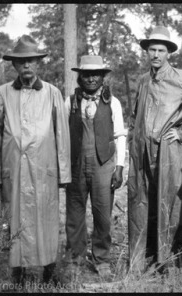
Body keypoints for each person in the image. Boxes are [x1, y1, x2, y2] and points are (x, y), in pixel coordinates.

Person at [0, 35, 71, 285]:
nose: (26, 66)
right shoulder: (2, 94)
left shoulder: (52, 93)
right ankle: (17, 274)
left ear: (38, 63)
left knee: (46, 219)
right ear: (14, 64)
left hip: (44, 170)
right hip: (13, 170)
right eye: (21, 61)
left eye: (31, 60)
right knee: (13, 219)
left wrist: (63, 173)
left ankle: (49, 271)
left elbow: (62, 136)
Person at [127, 26, 182, 273]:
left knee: (171, 207)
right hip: (142, 153)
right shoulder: (143, 81)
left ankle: (171, 264)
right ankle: (141, 262)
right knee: (141, 204)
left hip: (169, 153)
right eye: (152, 49)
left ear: (168, 53)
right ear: (146, 51)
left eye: (161, 50)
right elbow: (136, 116)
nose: (155, 54)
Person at [64, 55, 126, 279]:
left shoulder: (113, 103)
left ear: (102, 77)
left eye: (95, 74)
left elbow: (120, 136)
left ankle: (101, 259)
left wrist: (119, 167)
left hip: (104, 165)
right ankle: (75, 258)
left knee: (103, 215)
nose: (91, 79)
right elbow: (62, 136)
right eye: (86, 74)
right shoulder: (70, 102)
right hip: (76, 165)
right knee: (75, 213)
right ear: (80, 76)